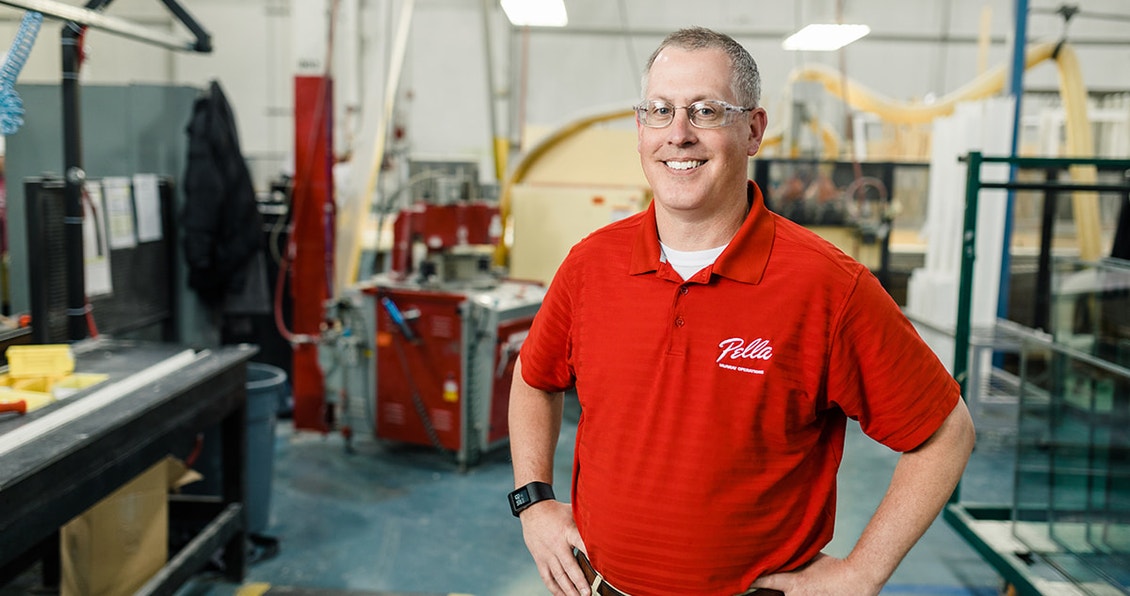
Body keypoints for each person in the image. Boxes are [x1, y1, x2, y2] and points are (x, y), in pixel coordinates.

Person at [508, 26, 975, 596]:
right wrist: (533, 502)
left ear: (753, 129)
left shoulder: (827, 285)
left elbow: (944, 432)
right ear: (640, 129)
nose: (678, 135)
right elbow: (534, 379)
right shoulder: (590, 265)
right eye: (659, 111)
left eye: (706, 111)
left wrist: (862, 572)